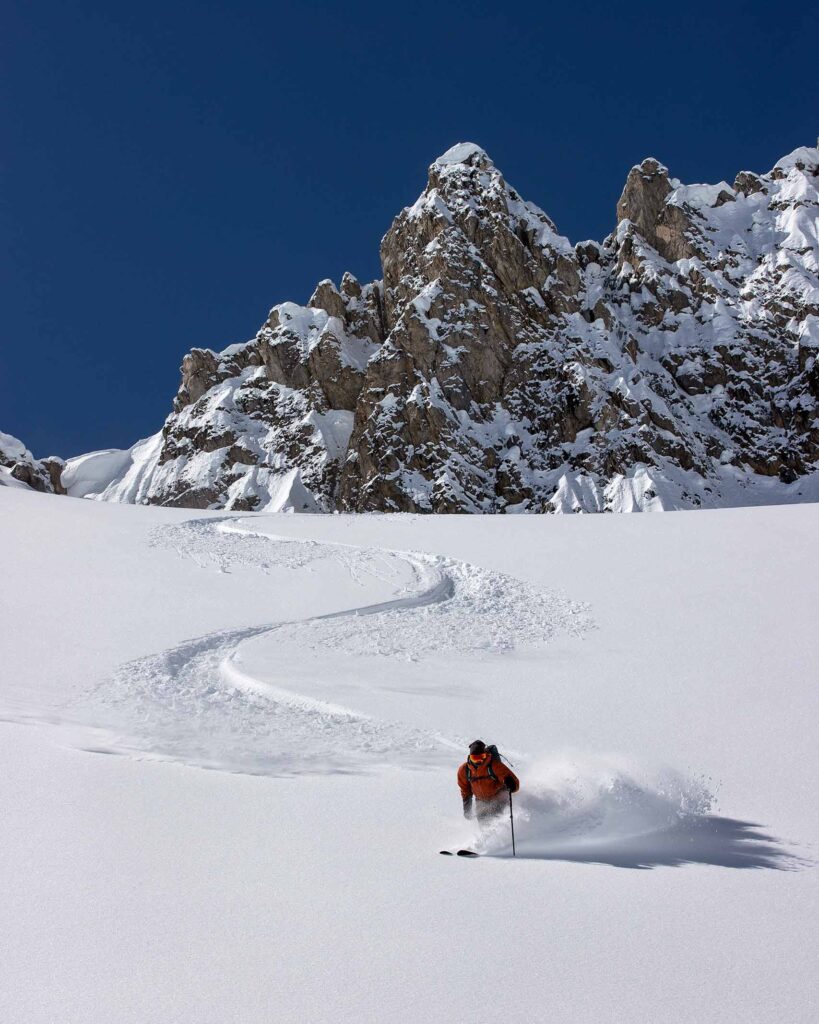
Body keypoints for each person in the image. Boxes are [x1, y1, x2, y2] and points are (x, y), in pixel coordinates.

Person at [458, 739, 519, 822]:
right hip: (481, 802)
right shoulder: (464, 770)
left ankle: (505, 834)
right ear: (470, 757)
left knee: (498, 823)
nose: (478, 761)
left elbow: (513, 781)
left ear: (485, 755)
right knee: (484, 827)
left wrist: (511, 783)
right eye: (475, 758)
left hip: (499, 798)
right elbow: (465, 790)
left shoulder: (494, 765)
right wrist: (467, 809)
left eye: (481, 757)